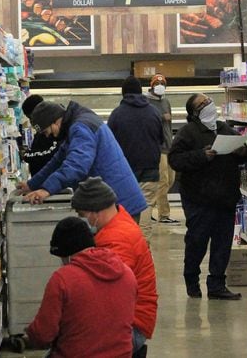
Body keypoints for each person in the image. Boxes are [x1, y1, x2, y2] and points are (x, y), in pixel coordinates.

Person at [168, 93, 247, 300]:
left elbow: (244, 151)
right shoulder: (188, 132)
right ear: (194, 112)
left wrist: (241, 150)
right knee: (197, 242)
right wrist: (201, 156)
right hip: (199, 199)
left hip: (225, 198)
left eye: (209, 100)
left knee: (222, 244)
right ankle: (192, 282)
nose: (209, 104)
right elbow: (175, 160)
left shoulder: (223, 128)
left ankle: (217, 286)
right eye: (203, 103)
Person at [24, 216, 137, 357]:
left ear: (68, 254)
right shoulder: (127, 273)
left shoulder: (63, 279)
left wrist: (29, 336)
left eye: (62, 257)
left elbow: (43, 335)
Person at [20, 100, 148, 221]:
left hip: (118, 204)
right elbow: (57, 161)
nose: (48, 135)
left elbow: (77, 165)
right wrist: (32, 184)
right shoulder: (75, 126)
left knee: (117, 243)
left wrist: (47, 190)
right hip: (111, 201)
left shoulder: (81, 127)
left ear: (55, 121)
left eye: (47, 131)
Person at [71, 177, 157, 356]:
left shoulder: (116, 240)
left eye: (81, 214)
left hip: (131, 326)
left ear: (94, 212)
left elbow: (109, 296)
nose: (81, 219)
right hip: (135, 318)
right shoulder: (119, 218)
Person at [108, 76, 162, 219]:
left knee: (126, 212)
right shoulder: (154, 112)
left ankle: (129, 240)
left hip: (125, 171)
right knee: (146, 208)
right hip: (151, 168)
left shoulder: (116, 114)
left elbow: (109, 145)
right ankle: (143, 241)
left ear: (123, 93)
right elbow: (161, 139)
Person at [145, 74, 178, 224]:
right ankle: (163, 214)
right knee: (163, 181)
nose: (160, 86)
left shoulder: (166, 101)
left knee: (170, 179)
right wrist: (161, 117)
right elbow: (146, 121)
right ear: (151, 86)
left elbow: (169, 125)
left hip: (168, 146)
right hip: (157, 147)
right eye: (157, 83)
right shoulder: (146, 102)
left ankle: (149, 209)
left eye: (162, 83)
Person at [20, 94, 59, 175]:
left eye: (31, 117)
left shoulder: (52, 130)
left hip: (48, 180)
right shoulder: (42, 128)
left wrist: (26, 155)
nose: (32, 122)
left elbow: (49, 154)